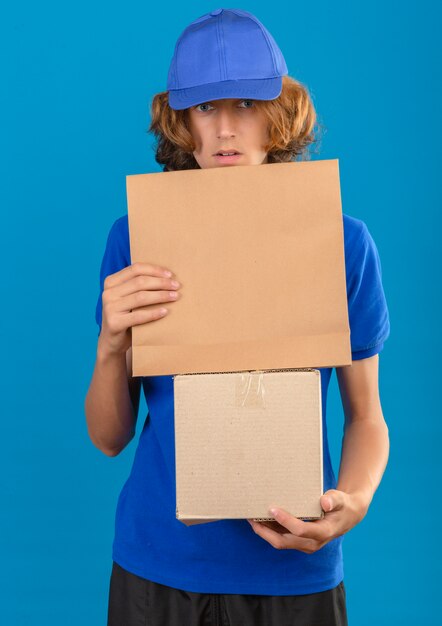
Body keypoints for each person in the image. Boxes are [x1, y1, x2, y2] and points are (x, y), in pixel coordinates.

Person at [84, 8, 390, 626]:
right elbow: (109, 438)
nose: (225, 129)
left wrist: (353, 501)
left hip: (293, 562)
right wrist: (110, 346)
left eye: (246, 105)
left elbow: (366, 416)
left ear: (279, 114)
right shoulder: (138, 236)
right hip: (158, 563)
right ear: (180, 121)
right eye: (205, 108)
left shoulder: (341, 243)